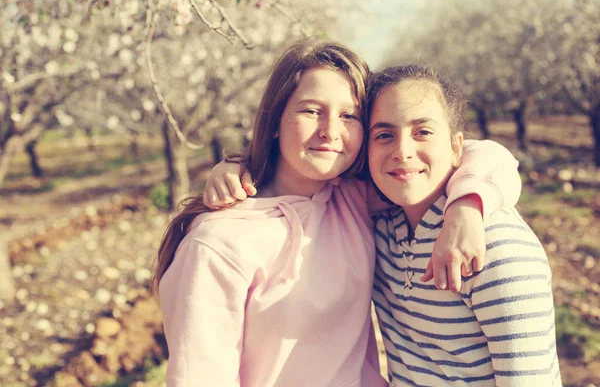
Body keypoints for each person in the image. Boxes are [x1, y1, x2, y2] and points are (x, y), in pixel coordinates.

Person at [155, 38, 521, 387]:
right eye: (311, 111)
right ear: (275, 120)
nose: (331, 131)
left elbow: (483, 155)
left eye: (349, 116)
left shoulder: (351, 199)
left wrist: (466, 208)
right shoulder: (218, 244)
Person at [368, 65, 561, 385]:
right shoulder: (381, 228)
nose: (402, 151)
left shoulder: (494, 245)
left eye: (423, 132)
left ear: (458, 147)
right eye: (384, 135)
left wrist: (466, 208)